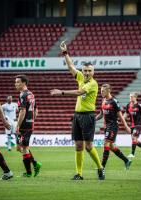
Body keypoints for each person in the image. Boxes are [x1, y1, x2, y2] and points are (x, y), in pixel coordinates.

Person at [50, 41, 105, 180]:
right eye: (85, 70)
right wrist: (65, 53)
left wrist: (61, 92)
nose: (86, 73)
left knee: (88, 146)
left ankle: (100, 168)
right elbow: (71, 67)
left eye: (89, 71)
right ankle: (79, 174)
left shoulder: (93, 84)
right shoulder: (80, 77)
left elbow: (79, 92)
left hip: (88, 116)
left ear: (93, 72)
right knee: (78, 146)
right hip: (77, 116)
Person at [96, 84, 132, 170]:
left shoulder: (114, 101)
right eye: (101, 91)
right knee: (111, 146)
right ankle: (126, 160)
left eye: (103, 91)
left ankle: (102, 168)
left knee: (106, 144)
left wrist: (126, 126)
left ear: (109, 90)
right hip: (106, 126)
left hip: (113, 126)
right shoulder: (103, 100)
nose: (101, 92)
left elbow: (120, 116)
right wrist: (93, 119)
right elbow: (101, 114)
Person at [15, 74, 42, 177]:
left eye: (18, 82)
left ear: (24, 83)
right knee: (20, 147)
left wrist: (18, 125)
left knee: (24, 147)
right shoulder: (31, 94)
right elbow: (36, 110)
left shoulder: (23, 95)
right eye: (15, 82)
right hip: (29, 124)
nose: (15, 84)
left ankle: (29, 172)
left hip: (24, 125)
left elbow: (22, 111)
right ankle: (35, 163)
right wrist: (32, 120)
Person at [124, 92, 141, 158]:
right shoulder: (128, 105)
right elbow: (126, 114)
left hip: (138, 125)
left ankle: (132, 154)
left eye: (132, 97)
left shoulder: (139, 105)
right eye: (130, 97)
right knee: (134, 140)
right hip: (132, 125)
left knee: (134, 138)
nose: (130, 98)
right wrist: (120, 119)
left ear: (135, 97)